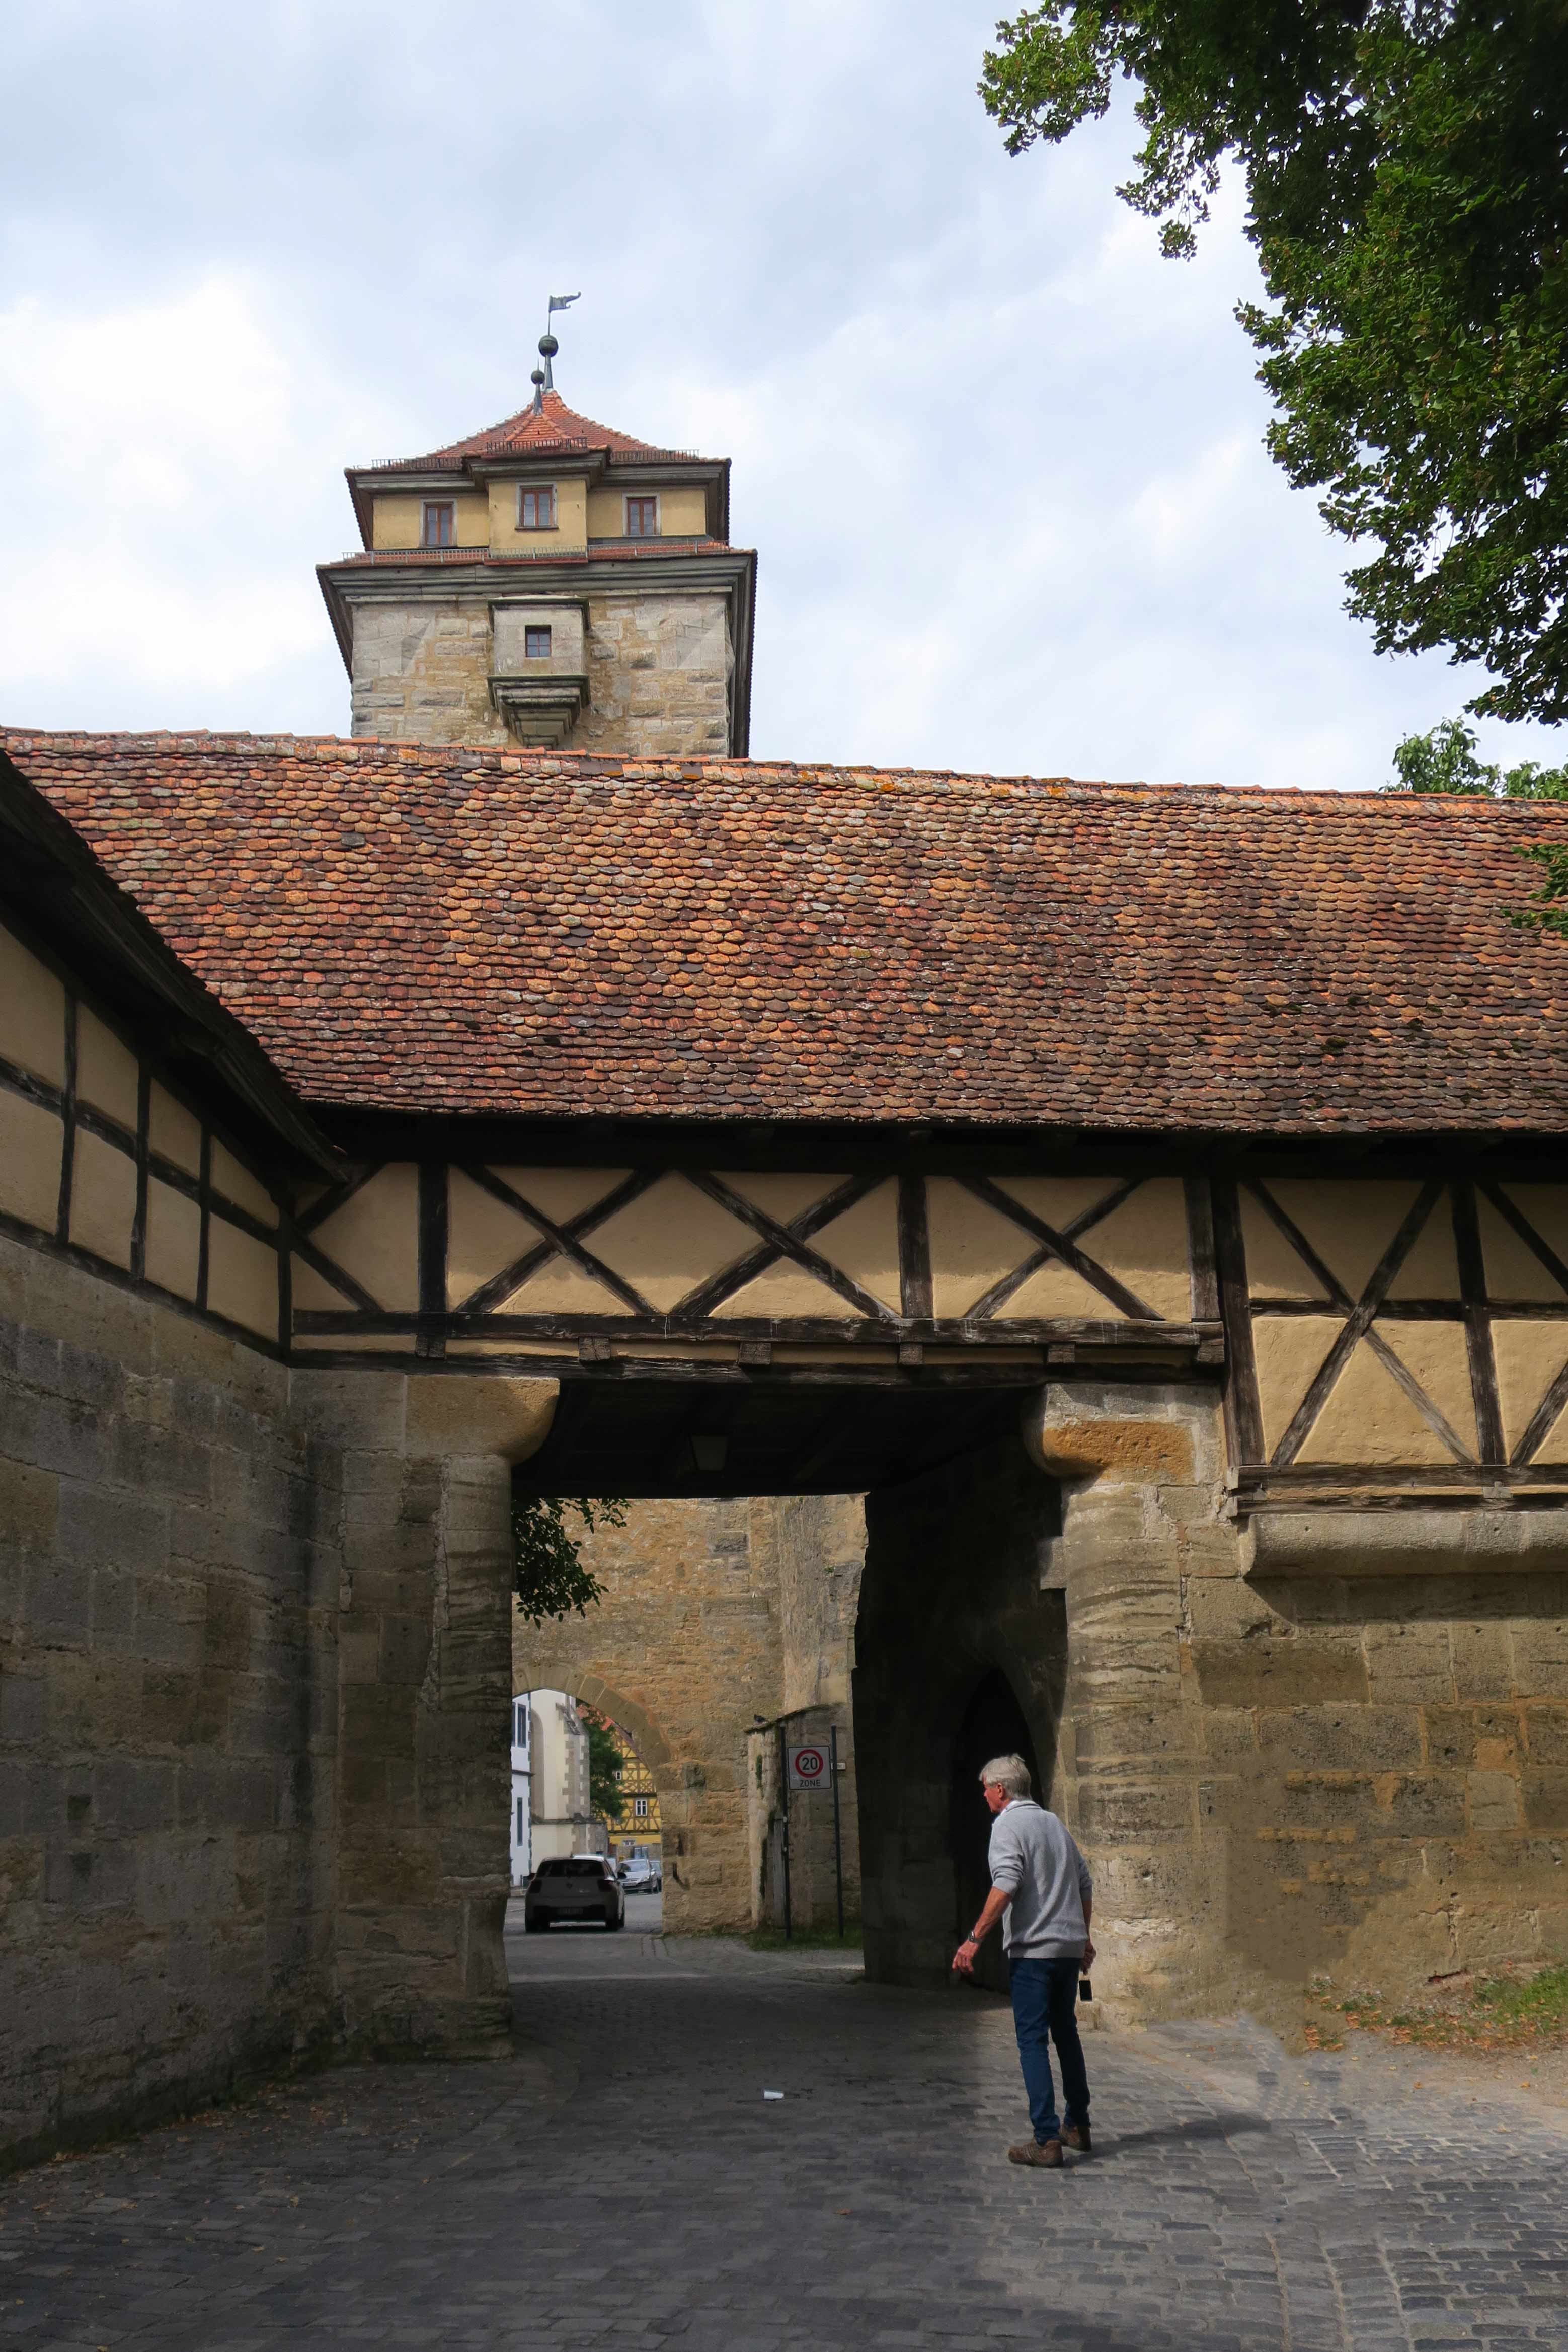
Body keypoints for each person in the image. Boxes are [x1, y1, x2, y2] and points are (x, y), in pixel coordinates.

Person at [951, 1752, 1094, 2169]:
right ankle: (1079, 2125)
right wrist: (1083, 1936)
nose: (983, 1796)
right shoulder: (1054, 1823)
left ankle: (1047, 2139)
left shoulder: (1007, 1826)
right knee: (1066, 2032)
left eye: (985, 1789)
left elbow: (1007, 1883)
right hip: (1067, 1949)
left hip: (1034, 1951)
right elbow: (1085, 1882)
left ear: (1000, 1789)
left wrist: (974, 1938)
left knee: (1032, 2039)